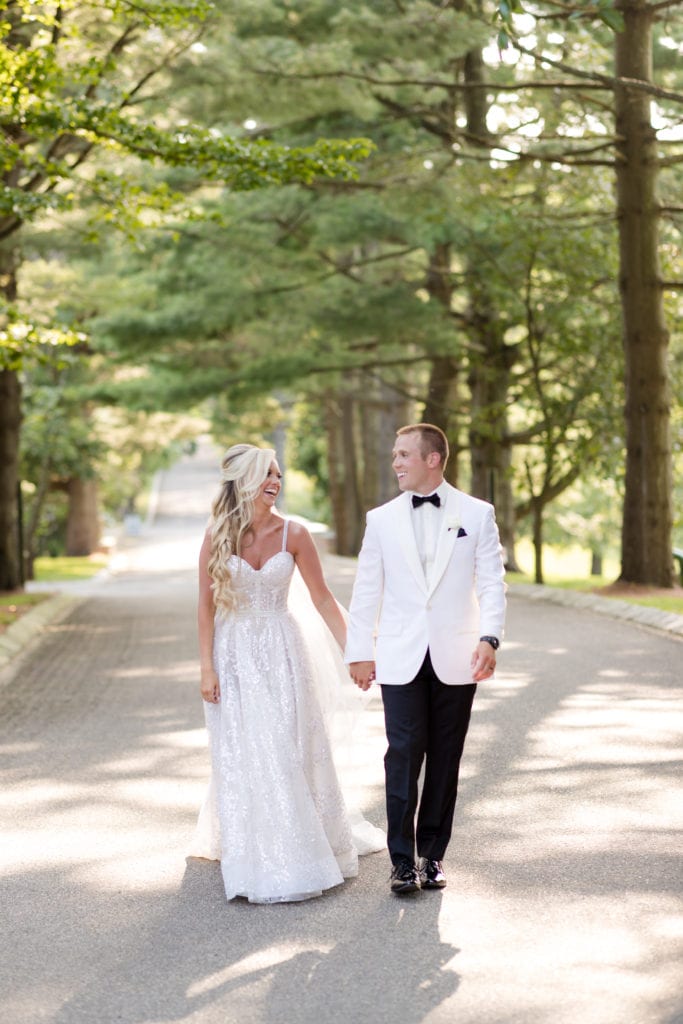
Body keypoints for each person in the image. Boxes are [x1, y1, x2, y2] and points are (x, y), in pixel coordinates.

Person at [189, 443, 383, 904]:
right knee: (246, 748)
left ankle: (307, 842)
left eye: (278, 474)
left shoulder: (293, 533)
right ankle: (254, 850)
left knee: (289, 745)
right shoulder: (216, 533)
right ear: (244, 481)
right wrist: (206, 666)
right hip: (233, 655)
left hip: (283, 653)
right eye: (266, 474)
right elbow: (204, 606)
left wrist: (358, 651)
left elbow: (321, 598)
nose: (275, 482)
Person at [345, 423, 506, 895]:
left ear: (432, 459)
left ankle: (432, 857)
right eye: (394, 455)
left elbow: (492, 582)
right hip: (399, 655)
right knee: (403, 754)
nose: (395, 463)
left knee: (445, 759)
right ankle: (401, 861)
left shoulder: (477, 514)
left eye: (403, 455)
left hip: (459, 656)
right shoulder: (381, 519)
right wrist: (359, 651)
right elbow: (366, 589)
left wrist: (489, 638)